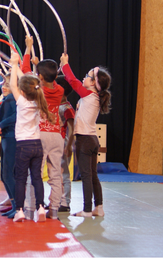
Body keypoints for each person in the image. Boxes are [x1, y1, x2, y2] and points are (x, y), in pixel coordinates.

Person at [59, 53, 111, 217]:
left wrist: (65, 65)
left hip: (85, 140)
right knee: (93, 175)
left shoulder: (89, 95)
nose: (84, 77)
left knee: (87, 176)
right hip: (93, 139)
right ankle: (99, 208)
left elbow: (73, 82)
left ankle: (87, 209)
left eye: (88, 76)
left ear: (94, 83)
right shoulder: (92, 97)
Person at [9, 51, 55, 223]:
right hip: (37, 144)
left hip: (23, 145)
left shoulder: (21, 101)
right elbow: (26, 84)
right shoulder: (37, 100)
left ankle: (19, 210)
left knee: (21, 178)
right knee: (37, 177)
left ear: (22, 91)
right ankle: (41, 207)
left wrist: (14, 64)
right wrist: (20, 70)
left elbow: (14, 85)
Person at [21, 36, 64, 220]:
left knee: (36, 174)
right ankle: (54, 209)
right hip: (57, 136)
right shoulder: (60, 90)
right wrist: (39, 67)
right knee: (56, 173)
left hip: (40, 136)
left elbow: (24, 72)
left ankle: (31, 208)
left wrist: (28, 48)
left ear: (39, 77)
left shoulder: (39, 90)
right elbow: (44, 79)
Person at [0, 74, 17, 218]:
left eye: (8, 85)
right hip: (6, 139)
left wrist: (2, 124)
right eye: (3, 84)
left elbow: (16, 116)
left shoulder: (12, 99)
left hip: (11, 139)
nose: (4, 87)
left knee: (9, 175)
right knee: (5, 175)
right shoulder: (6, 99)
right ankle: (14, 203)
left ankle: (17, 205)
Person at [56, 76, 75, 213]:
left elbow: (72, 128)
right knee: (56, 174)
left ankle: (66, 202)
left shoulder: (67, 108)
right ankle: (56, 200)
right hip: (55, 142)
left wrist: (69, 146)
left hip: (63, 143)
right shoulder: (57, 105)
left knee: (64, 173)